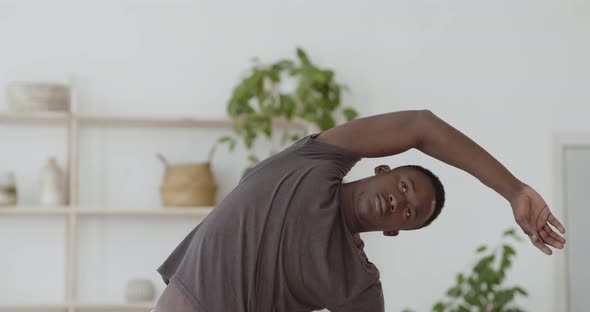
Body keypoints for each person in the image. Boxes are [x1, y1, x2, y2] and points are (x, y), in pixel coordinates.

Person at [154, 110, 566, 312]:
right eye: (405, 187)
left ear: (394, 232)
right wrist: (512, 190)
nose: (402, 202)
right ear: (383, 168)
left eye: (410, 214)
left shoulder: (358, 284)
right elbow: (421, 126)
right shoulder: (313, 161)